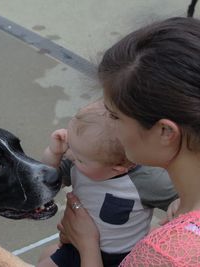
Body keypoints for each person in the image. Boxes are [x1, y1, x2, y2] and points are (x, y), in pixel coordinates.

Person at [60, 17, 200, 266]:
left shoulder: (166, 254)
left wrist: (87, 244)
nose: (108, 125)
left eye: (115, 116)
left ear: (166, 132)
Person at [38, 100, 176, 267]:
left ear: (117, 169)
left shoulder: (147, 181)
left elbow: (185, 199)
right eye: (70, 145)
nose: (69, 154)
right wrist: (53, 153)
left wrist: (177, 205)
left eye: (79, 158)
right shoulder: (80, 160)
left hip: (122, 256)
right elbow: (48, 182)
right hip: (75, 244)